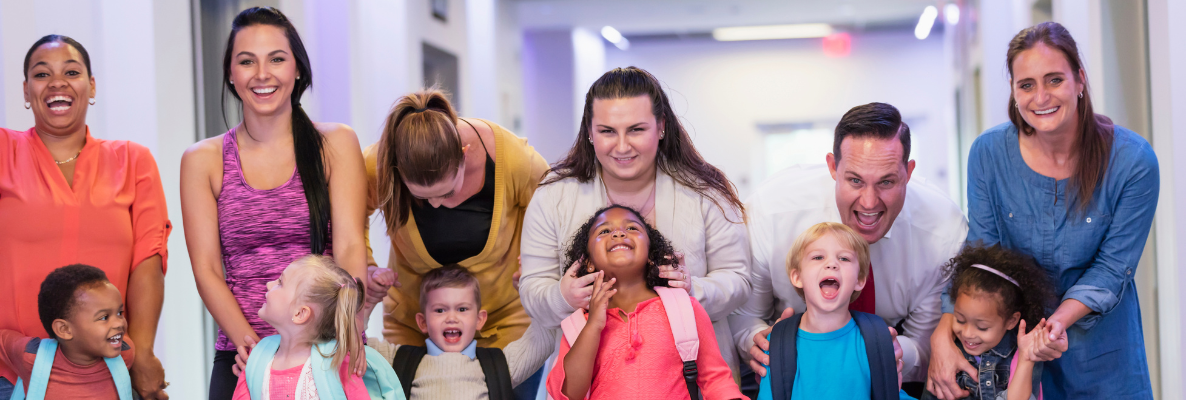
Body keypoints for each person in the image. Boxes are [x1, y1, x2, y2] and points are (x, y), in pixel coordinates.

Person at [926, 22, 1158, 400]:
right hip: (1013, 353)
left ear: (1079, 80)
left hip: (1104, 354)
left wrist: (1054, 326)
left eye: (1054, 80)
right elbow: (985, 252)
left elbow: (1114, 268)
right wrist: (945, 326)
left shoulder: (1133, 162)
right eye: (1026, 85)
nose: (1041, 97)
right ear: (1014, 92)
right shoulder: (988, 154)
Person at [181, 7, 369, 399]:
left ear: (297, 68)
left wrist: (347, 332)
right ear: (230, 73)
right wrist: (252, 346)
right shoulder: (204, 159)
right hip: (243, 355)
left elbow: (350, 246)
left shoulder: (335, 143)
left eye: (277, 59)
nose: (262, 74)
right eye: (247, 61)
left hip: (328, 352)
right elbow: (207, 269)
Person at [521, 67, 750, 377]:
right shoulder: (553, 196)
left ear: (662, 127)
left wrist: (693, 289)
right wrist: (563, 296)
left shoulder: (705, 193)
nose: (622, 146)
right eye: (607, 131)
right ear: (589, 132)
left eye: (636, 129)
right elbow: (533, 289)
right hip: (591, 380)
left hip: (690, 379)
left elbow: (738, 280)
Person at [732, 103, 967, 387]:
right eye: (855, 180)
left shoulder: (943, 231)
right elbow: (745, 317)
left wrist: (881, 351)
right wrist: (756, 343)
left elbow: (926, 345)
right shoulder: (770, 212)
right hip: (788, 370)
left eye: (887, 182)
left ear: (909, 172)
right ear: (832, 167)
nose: (869, 202)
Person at [0, 35, 170, 399]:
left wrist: (141, 352)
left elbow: (148, 263)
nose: (57, 82)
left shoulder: (132, 161)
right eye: (42, 74)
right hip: (10, 373)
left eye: (72, 71)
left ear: (91, 86)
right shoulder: (3, 151)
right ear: (26, 91)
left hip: (108, 372)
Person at [361, 89, 549, 353]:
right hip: (414, 323)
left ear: (464, 154)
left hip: (504, 322)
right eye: (422, 198)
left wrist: (539, 265)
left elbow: (554, 213)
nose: (437, 205)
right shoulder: (378, 165)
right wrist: (366, 266)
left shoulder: (514, 160)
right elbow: (348, 217)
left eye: (447, 192)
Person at [546, 205, 745, 400]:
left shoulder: (685, 309)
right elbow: (569, 394)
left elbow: (717, 383)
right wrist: (593, 326)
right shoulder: (578, 325)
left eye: (632, 228)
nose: (618, 233)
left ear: (651, 255)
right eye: (605, 230)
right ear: (588, 263)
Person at [757, 222, 912, 400]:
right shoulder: (777, 341)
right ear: (797, 277)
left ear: (859, 280)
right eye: (818, 257)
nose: (832, 264)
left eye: (844, 258)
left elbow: (892, 393)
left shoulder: (876, 338)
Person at [367, 264, 555, 400]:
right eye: (440, 310)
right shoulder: (399, 360)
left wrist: (528, 290)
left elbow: (543, 338)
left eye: (462, 309)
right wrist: (369, 299)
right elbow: (352, 343)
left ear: (480, 319)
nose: (451, 317)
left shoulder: (499, 365)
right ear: (423, 322)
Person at [919, 244, 1057, 400]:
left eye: (982, 327)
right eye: (959, 319)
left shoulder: (1024, 354)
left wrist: (1026, 360)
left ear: (1011, 321)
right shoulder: (948, 351)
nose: (967, 333)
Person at [230, 255, 370, 400]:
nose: (269, 284)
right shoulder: (257, 359)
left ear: (300, 313)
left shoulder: (338, 362)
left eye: (280, 283)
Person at [0, 265, 135, 399]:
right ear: (64, 329)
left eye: (119, 313)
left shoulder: (125, 354)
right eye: (104, 317)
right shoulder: (30, 356)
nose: (119, 323)